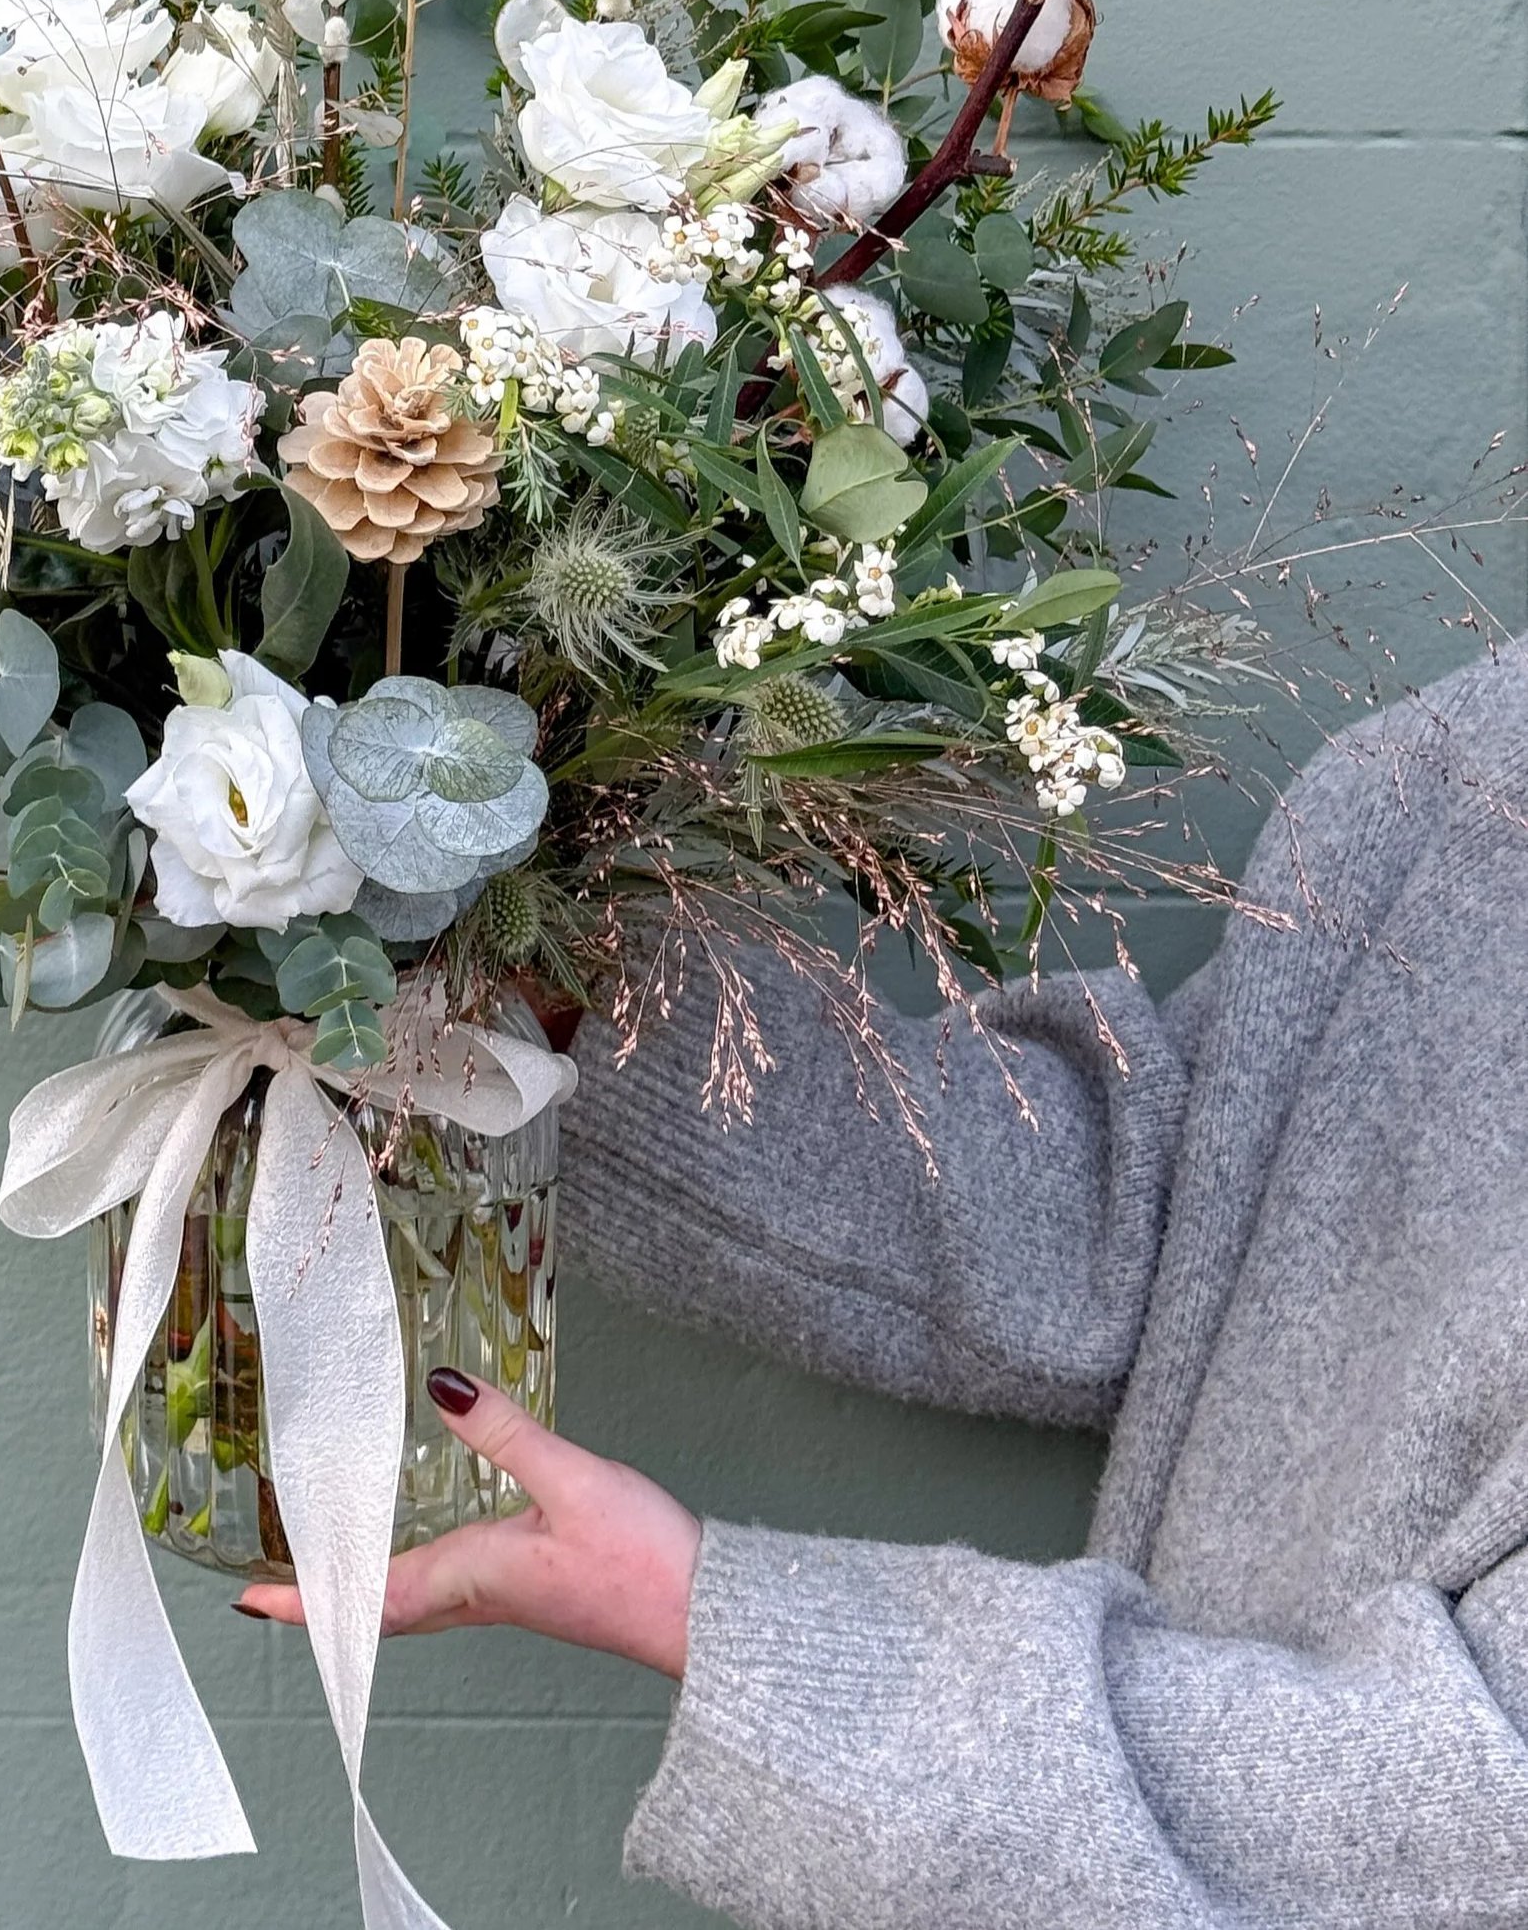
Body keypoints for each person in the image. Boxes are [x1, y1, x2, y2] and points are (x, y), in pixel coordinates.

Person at [238, 647, 1528, 1925]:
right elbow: (1205, 1217)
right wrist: (535, 1014)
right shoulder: (1483, 750)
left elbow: (1477, 1824)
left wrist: (730, 1624)